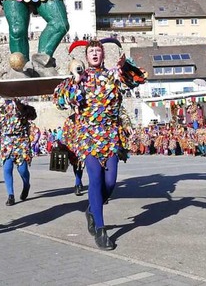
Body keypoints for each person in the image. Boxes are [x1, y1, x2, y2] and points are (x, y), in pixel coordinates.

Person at [53, 38, 145, 250]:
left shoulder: (112, 76)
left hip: (110, 135)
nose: (95, 54)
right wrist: (75, 80)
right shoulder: (79, 78)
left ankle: (92, 210)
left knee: (110, 182)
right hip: (87, 135)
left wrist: (125, 66)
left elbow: (137, 79)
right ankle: (102, 230)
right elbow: (59, 100)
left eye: (98, 51)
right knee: (94, 178)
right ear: (86, 57)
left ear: (103, 54)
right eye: (91, 51)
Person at [0, 99, 37, 206]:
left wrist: (20, 106)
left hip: (21, 140)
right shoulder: (1, 109)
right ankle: (10, 195)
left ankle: (26, 185)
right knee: (7, 168)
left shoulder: (23, 106)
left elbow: (33, 115)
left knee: (23, 169)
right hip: (6, 141)